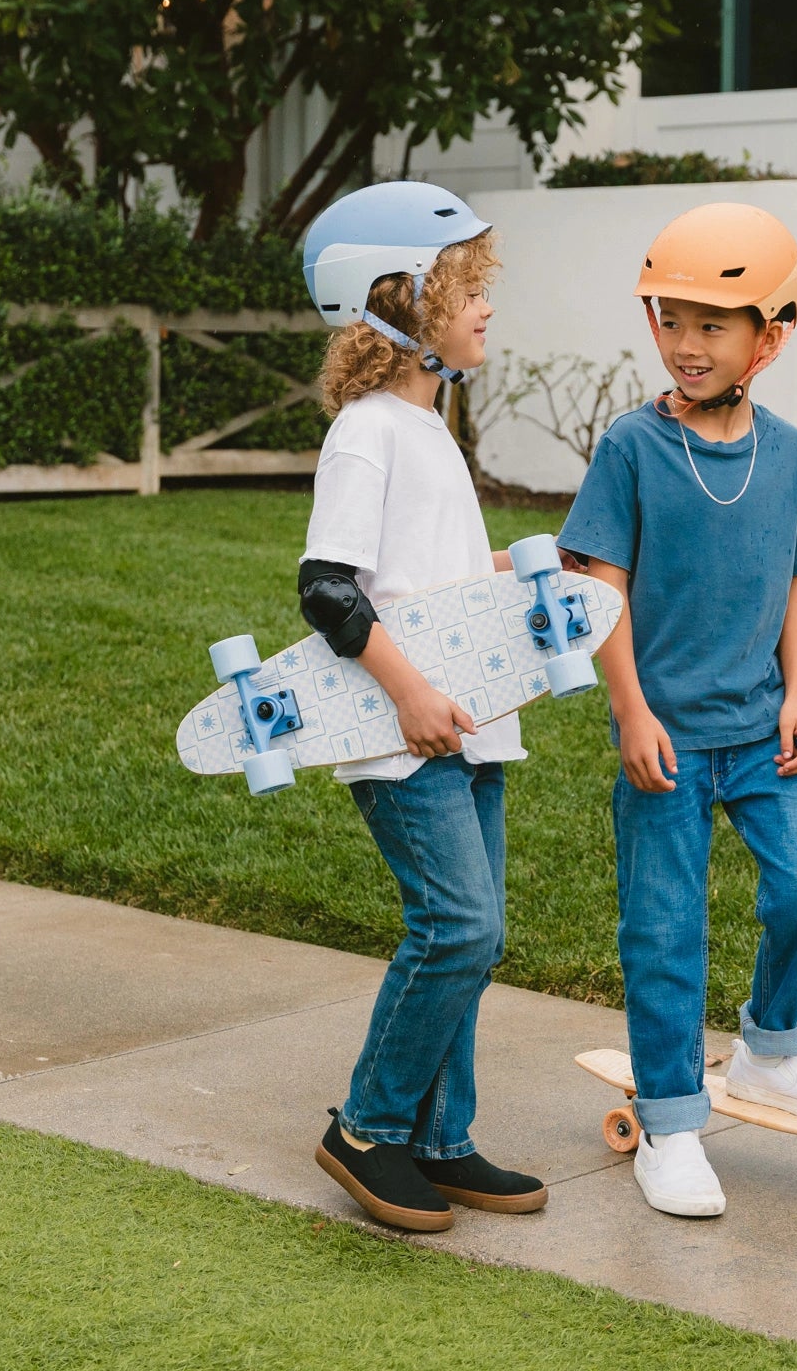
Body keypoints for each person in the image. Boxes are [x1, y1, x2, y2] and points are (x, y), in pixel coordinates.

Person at [557, 202, 797, 1219]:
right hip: (666, 741)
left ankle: (773, 1051)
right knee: (664, 927)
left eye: (712, 325)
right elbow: (599, 584)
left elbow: (795, 583)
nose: (686, 345)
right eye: (671, 320)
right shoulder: (632, 449)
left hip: (759, 733)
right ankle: (673, 1122)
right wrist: (631, 711)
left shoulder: (791, 457)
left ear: (767, 339)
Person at [296, 181, 547, 1232]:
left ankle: (442, 1142)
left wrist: (509, 566)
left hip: (470, 722)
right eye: (466, 287)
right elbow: (328, 587)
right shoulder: (369, 432)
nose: (486, 305)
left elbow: (418, 573)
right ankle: (367, 1127)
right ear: (399, 300)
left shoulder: (426, 426)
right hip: (406, 732)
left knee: (476, 937)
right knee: (458, 923)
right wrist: (406, 695)